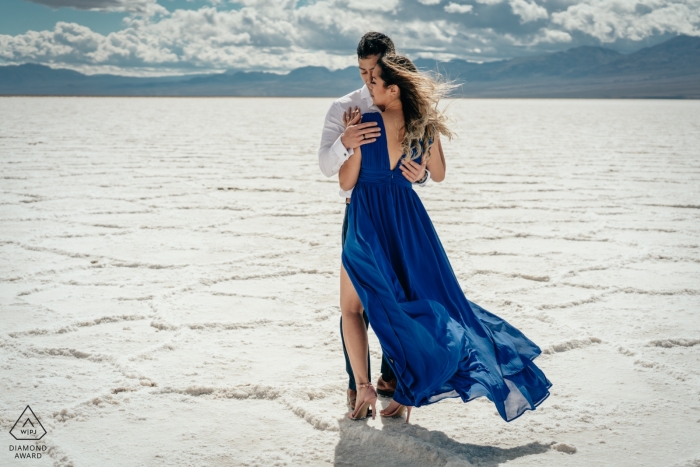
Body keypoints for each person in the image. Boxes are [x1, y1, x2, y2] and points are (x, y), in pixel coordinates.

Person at [339, 53, 552, 422]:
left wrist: (349, 140)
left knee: (353, 308)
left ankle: (363, 387)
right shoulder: (425, 126)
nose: (367, 88)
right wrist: (417, 169)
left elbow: (345, 181)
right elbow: (436, 174)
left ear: (392, 88)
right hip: (409, 221)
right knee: (421, 302)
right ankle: (406, 393)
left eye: (373, 82)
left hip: (369, 222)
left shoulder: (368, 123)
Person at [318, 32, 431, 412]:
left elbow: (426, 166)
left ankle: (390, 381)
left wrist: (419, 175)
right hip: (361, 214)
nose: (367, 79)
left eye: (374, 71)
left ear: (390, 67)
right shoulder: (345, 107)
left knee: (392, 298)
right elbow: (325, 164)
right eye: (362, 70)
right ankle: (357, 385)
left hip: (389, 213)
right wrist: (346, 141)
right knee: (362, 305)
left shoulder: (404, 105)